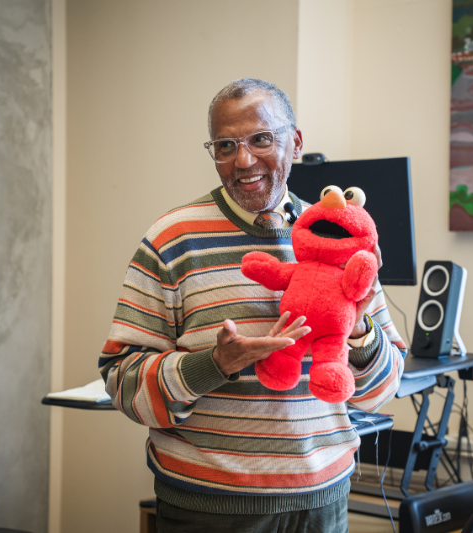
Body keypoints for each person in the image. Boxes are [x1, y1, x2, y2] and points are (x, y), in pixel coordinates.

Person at [99, 78, 406, 532]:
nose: (243, 161)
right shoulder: (172, 240)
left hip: (322, 507)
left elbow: (384, 391)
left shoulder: (345, 239)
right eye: (225, 146)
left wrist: (358, 333)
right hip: (207, 509)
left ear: (296, 142)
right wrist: (214, 364)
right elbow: (121, 379)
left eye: (261, 139)